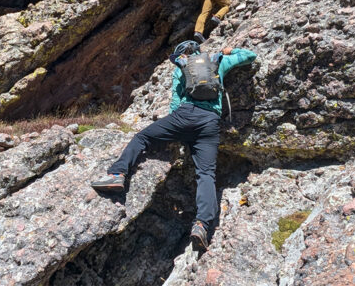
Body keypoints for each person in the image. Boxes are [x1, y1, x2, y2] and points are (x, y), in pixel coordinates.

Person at [90, 40, 257, 249]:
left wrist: (174, 129)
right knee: (206, 173)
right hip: (209, 122)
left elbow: (175, 103)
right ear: (199, 51)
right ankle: (202, 225)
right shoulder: (217, 62)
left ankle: (117, 175)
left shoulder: (182, 67)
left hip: (184, 116)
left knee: (142, 138)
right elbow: (250, 55)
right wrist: (229, 50)